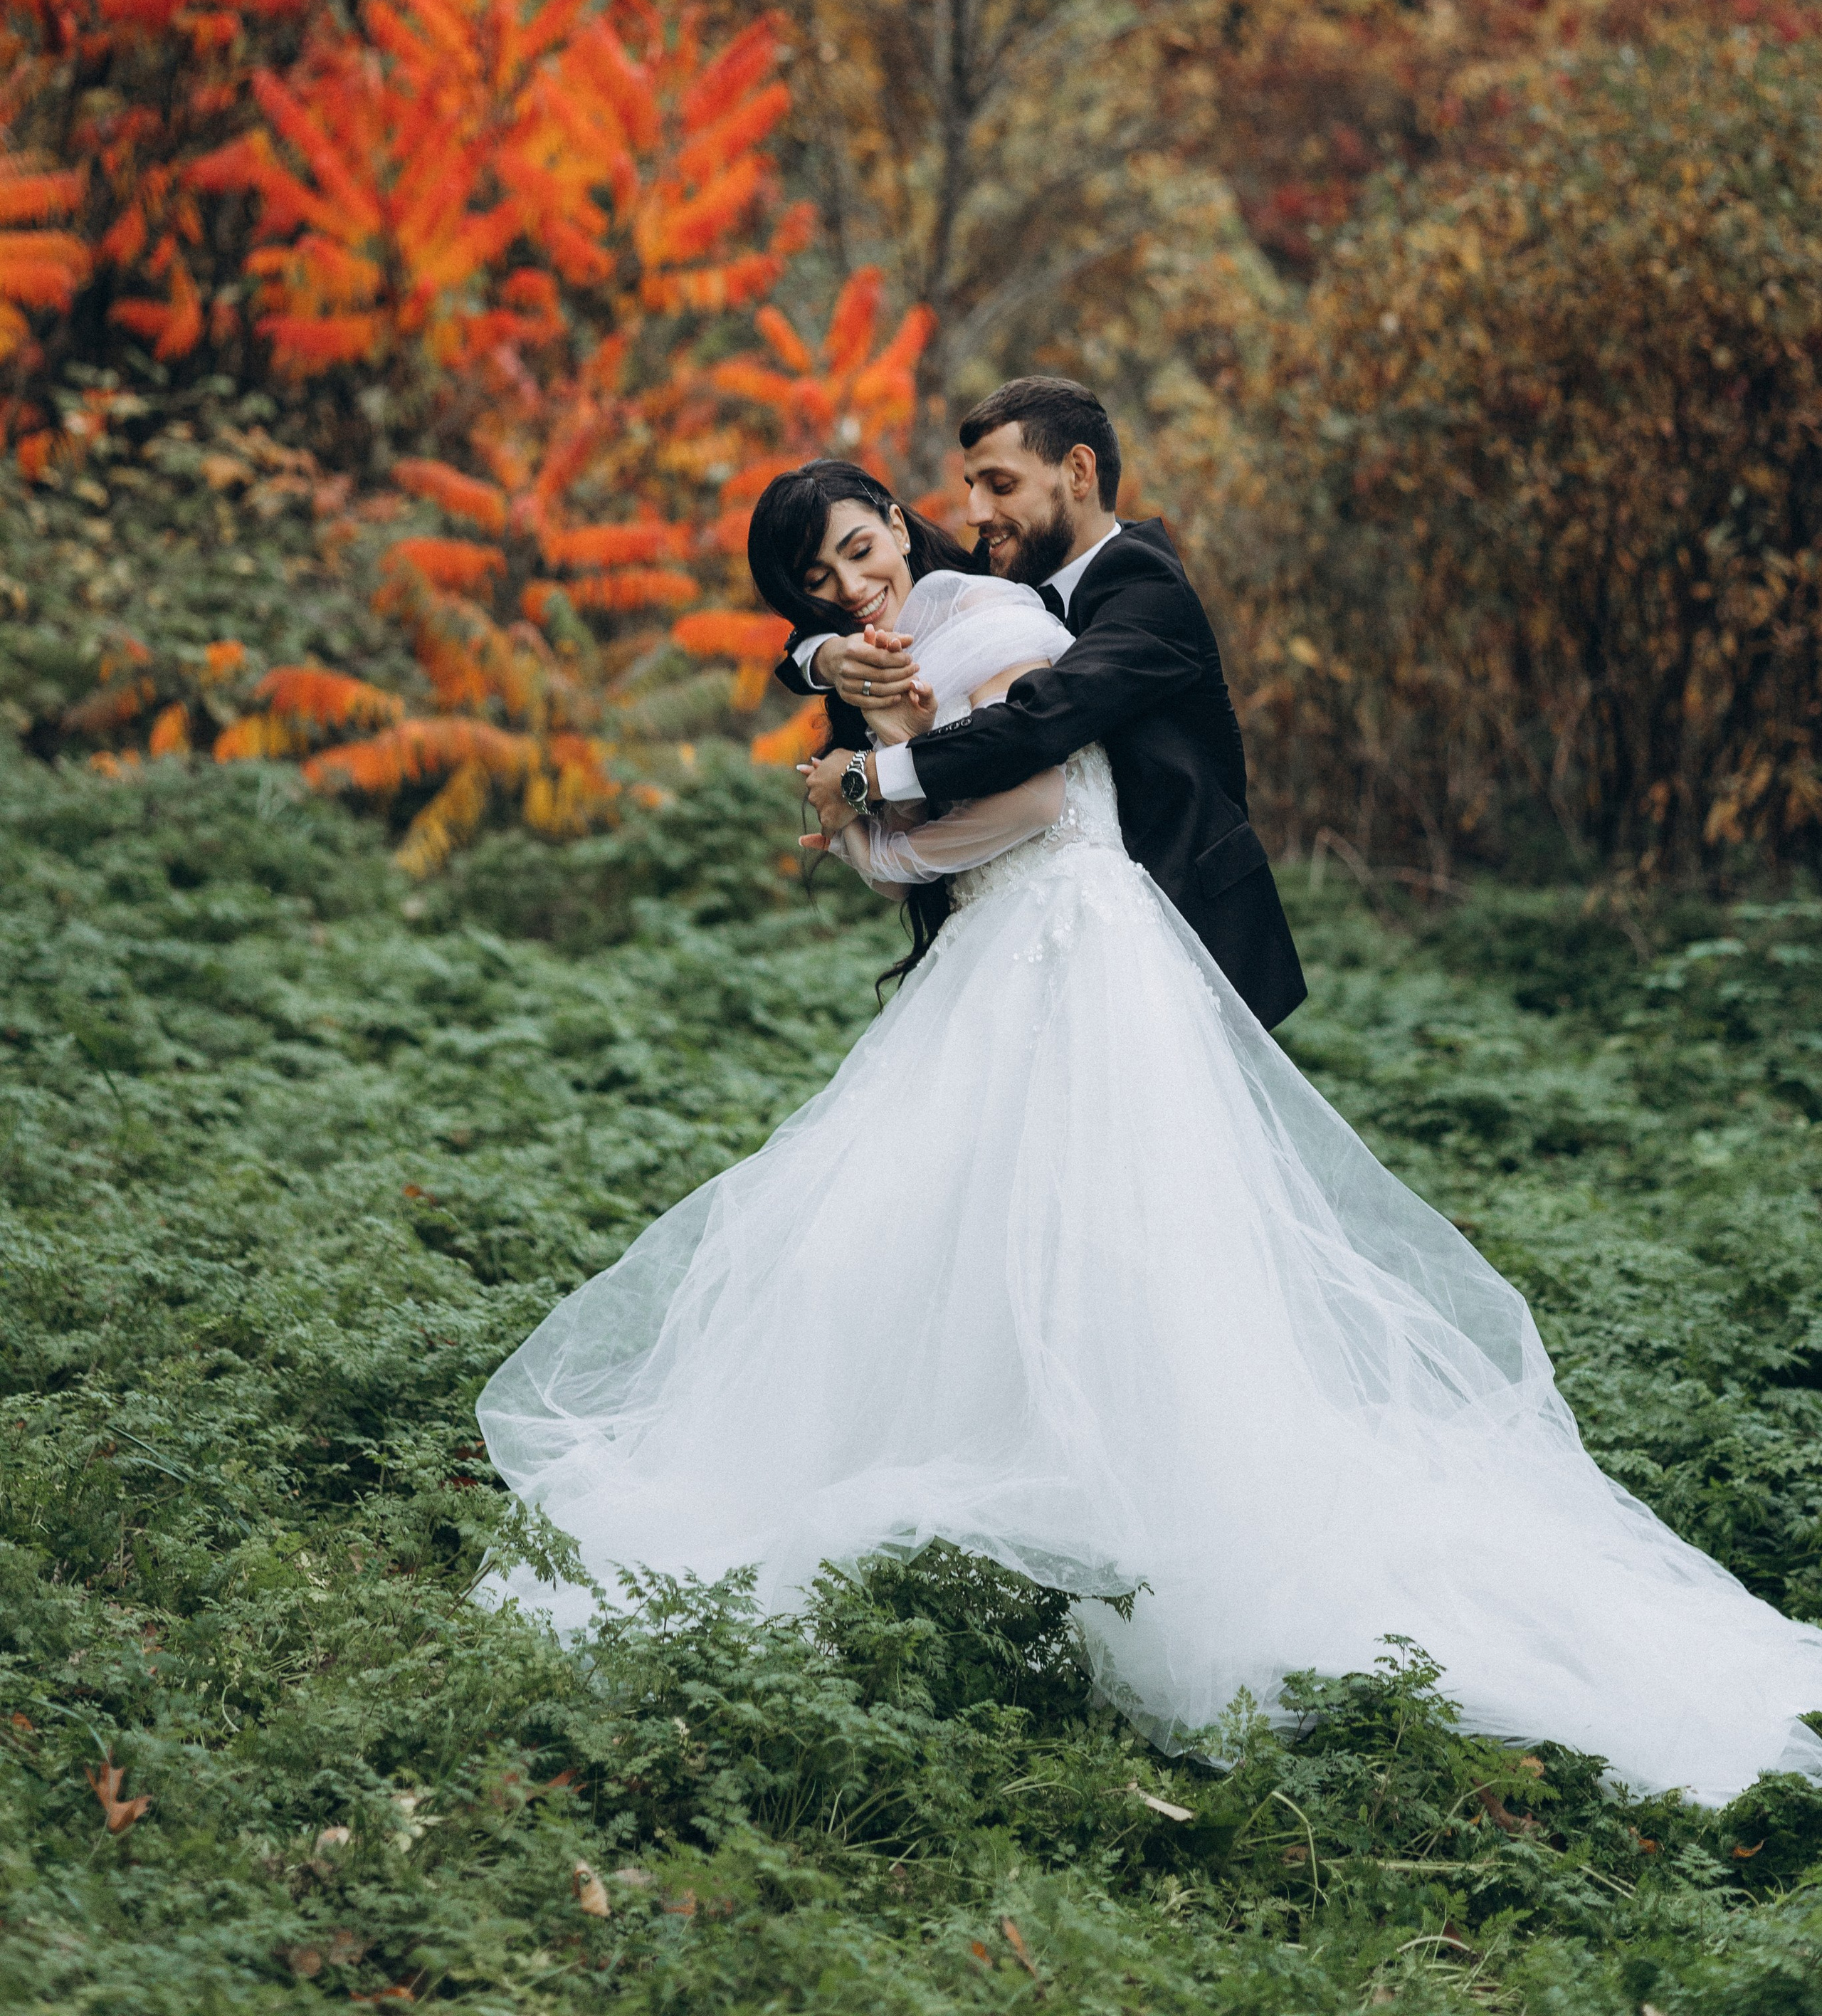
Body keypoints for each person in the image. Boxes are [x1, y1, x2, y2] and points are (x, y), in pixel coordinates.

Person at [475, 459, 1822, 1805]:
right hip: (1000, 956)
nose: (847, 586)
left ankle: (1132, 1544)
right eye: (816, 582)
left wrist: (869, 814)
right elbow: (872, 737)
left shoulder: (998, 619)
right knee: (942, 1235)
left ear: (895, 519)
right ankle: (1004, 1520)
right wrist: (841, 684)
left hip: (1071, 947)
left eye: (855, 551)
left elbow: (1031, 804)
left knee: (1099, 1240)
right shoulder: (894, 638)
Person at [786, 376, 1305, 1031]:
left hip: (1179, 928)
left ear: (1078, 472)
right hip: (1024, 935)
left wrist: (866, 778)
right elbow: (839, 612)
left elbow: (1034, 725)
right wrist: (826, 657)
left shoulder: (1148, 588)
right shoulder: (1000, 577)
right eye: (971, 487)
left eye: (1000, 486)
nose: (975, 512)